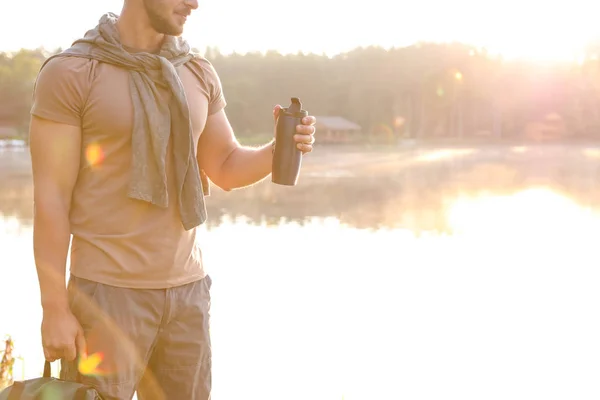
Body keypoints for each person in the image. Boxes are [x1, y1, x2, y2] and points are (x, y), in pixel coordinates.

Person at [28, 0, 317, 399]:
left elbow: (227, 165)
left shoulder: (196, 72)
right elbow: (51, 200)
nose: (194, 3)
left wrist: (278, 149)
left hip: (188, 295)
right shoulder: (73, 72)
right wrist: (54, 309)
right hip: (106, 298)